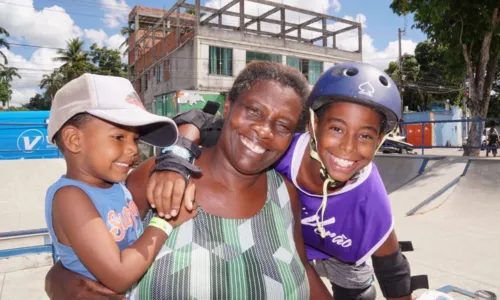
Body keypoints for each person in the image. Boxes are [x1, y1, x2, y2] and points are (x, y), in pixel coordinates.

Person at [44, 61, 332, 300]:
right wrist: (60, 280)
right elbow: (95, 245)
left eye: (282, 125)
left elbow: (303, 268)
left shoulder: (284, 195)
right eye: (253, 111)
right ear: (228, 107)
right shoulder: (155, 178)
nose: (264, 130)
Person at [147, 62, 429, 300]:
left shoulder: (369, 197)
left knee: (359, 291)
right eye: (336, 129)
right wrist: (176, 158)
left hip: (342, 256)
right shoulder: (279, 147)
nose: (348, 148)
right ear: (313, 125)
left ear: (380, 141)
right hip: (291, 245)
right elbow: (209, 127)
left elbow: (392, 268)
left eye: (365, 136)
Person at [44, 73, 190, 295]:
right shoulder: (70, 198)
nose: (133, 149)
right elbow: (119, 275)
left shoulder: (116, 186)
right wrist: (164, 222)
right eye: (119, 137)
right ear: (74, 140)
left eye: (135, 139)